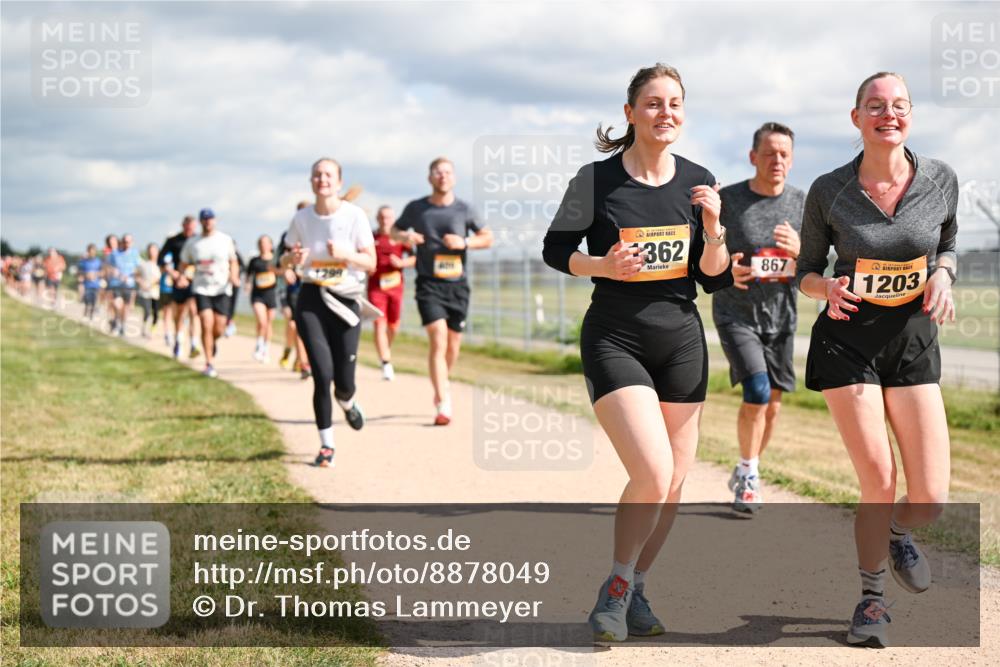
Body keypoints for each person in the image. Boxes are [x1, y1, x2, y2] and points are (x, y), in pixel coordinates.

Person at [542, 63, 732, 642]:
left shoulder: (699, 180)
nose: (665, 112)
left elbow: (714, 278)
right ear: (630, 113)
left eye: (674, 103)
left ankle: (639, 588)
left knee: (673, 479)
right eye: (652, 103)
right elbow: (555, 251)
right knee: (650, 470)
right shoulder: (595, 181)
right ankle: (617, 587)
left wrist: (717, 227)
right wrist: (601, 265)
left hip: (680, 340)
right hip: (615, 336)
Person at [797, 72, 957, 648]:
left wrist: (944, 273)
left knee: (931, 498)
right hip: (848, 340)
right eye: (875, 106)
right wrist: (825, 289)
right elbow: (806, 270)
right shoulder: (829, 189)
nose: (888, 114)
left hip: (912, 338)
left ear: (909, 114)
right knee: (880, 479)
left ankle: (896, 534)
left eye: (898, 106)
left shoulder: (940, 179)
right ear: (856, 117)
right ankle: (870, 601)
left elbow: (950, 242)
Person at [710, 122, 804, 515]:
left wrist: (800, 250)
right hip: (737, 312)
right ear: (753, 157)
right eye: (769, 153)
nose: (777, 160)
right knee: (759, 392)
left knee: (774, 405)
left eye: (784, 154)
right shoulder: (729, 200)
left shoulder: (802, 203)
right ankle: (749, 477)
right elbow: (706, 250)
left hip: (781, 317)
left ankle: (748, 464)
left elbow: (815, 265)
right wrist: (724, 269)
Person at [280, 158, 374, 468]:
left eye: (328, 174)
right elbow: (282, 262)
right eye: (317, 174)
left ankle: (347, 402)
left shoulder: (354, 216)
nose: (323, 179)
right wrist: (292, 258)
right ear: (311, 181)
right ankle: (326, 445)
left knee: (343, 382)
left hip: (345, 301)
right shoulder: (302, 218)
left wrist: (346, 255)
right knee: (322, 375)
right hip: (312, 298)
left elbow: (370, 262)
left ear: (339, 182)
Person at [392, 157, 493, 424]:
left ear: (454, 178)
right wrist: (406, 237)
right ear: (430, 178)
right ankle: (443, 402)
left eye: (447, 172)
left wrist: (464, 242)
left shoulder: (465, 209)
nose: (442, 176)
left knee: (453, 343)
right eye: (437, 172)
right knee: (438, 337)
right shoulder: (416, 208)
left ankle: (442, 382)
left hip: (457, 285)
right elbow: (394, 231)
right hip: (428, 282)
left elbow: (488, 238)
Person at [180, 208, 240, 378]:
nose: (208, 222)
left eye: (210, 219)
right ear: (201, 222)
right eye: (204, 219)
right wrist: (183, 276)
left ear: (215, 220)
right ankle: (209, 363)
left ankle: (212, 342)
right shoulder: (193, 243)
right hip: (201, 288)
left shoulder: (225, 240)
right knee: (206, 323)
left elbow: (233, 261)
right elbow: (183, 264)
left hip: (222, 288)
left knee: (218, 328)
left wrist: (234, 276)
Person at [368, 205, 415, 380]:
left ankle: (385, 350)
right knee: (379, 323)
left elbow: (415, 258)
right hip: (376, 288)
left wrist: (402, 264)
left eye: (388, 217)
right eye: (381, 217)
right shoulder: (371, 237)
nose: (385, 220)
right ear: (377, 218)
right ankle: (386, 363)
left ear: (393, 219)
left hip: (395, 287)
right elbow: (362, 256)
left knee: (393, 325)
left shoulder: (400, 238)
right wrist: (368, 267)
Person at [160, 215, 201, 360]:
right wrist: (174, 273)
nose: (189, 228)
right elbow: (162, 260)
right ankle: (178, 339)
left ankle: (194, 344)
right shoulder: (173, 241)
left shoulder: (199, 240)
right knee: (179, 313)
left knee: (194, 311)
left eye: (192, 226)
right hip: (178, 282)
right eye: (187, 226)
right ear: (183, 225)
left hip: (195, 282)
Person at [278, 223, 312, 379]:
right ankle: (302, 362)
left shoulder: (314, 238)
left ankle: (300, 359)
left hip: (310, 288)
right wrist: (286, 269)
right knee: (295, 325)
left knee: (303, 328)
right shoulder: (287, 239)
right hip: (290, 292)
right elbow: (275, 264)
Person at [247, 235, 279, 362]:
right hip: (257, 295)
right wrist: (247, 285)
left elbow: (281, 274)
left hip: (271, 294)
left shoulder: (276, 260)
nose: (263, 245)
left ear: (270, 245)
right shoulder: (254, 261)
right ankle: (259, 344)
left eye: (265, 243)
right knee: (262, 321)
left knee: (269, 323)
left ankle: (266, 348)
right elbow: (249, 276)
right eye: (261, 243)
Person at [136, 243, 162, 338]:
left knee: (156, 314)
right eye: (150, 250)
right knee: (147, 311)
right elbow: (137, 276)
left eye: (154, 250)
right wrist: (141, 283)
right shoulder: (143, 265)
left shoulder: (160, 265)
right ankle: (144, 328)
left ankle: (152, 330)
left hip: (155, 293)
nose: (152, 253)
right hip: (145, 292)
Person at [224, 245, 246, 338]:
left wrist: (236, 274)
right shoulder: (223, 254)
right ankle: (226, 324)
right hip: (223, 284)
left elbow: (243, 267)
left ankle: (230, 324)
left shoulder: (236, 254)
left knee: (232, 304)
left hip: (234, 284)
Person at [78, 244, 103, 320]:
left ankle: (91, 316)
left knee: (94, 301)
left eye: (93, 251)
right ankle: (85, 314)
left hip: (96, 284)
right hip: (86, 284)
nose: (92, 253)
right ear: (88, 251)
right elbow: (79, 272)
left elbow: (102, 272)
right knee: (87, 300)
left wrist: (95, 274)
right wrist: (86, 274)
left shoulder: (99, 262)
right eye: (90, 251)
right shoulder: (83, 261)